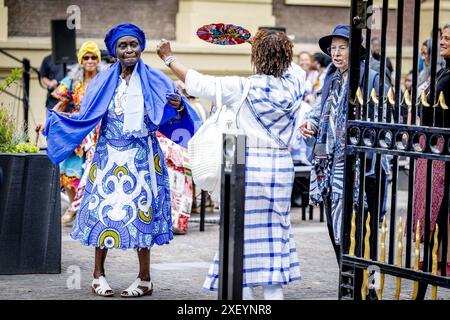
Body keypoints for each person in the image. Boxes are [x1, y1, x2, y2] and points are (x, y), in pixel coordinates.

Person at [43, 23, 200, 297]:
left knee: (142, 214)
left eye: (134, 44)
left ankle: (145, 279)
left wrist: (177, 107)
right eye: (123, 46)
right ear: (114, 51)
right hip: (108, 158)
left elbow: (173, 119)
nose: (129, 50)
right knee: (103, 213)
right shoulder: (103, 81)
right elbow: (86, 115)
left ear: (140, 47)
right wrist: (59, 125)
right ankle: (98, 274)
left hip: (142, 158)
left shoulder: (155, 78)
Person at [156, 29, 304, 300]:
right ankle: (273, 291)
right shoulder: (296, 83)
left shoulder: (242, 87)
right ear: (287, 56)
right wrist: (266, 45)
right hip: (281, 167)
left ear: (256, 57)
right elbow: (293, 67)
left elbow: (198, 83)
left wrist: (168, 58)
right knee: (275, 233)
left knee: (241, 235)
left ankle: (242, 293)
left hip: (247, 166)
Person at [300, 24, 389, 264]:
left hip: (363, 169)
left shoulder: (371, 77)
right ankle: (347, 281)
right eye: (333, 48)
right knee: (336, 230)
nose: (336, 53)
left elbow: (384, 122)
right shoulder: (331, 77)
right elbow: (319, 112)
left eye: (342, 47)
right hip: (331, 169)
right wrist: (310, 123)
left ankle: (366, 287)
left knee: (362, 233)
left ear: (355, 50)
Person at [50, 41, 104, 224]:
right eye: (86, 57)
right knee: (69, 169)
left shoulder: (104, 80)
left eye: (93, 57)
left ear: (98, 59)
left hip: (98, 129)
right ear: (81, 60)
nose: (90, 60)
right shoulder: (73, 80)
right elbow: (61, 104)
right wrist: (49, 121)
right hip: (76, 130)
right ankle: (74, 209)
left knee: (95, 170)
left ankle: (90, 211)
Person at [412, 23, 450, 275]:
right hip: (437, 148)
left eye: (448, 38)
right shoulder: (442, 71)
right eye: (443, 38)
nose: (443, 42)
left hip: (445, 146)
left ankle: (444, 261)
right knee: (439, 208)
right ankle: (437, 258)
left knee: (445, 209)